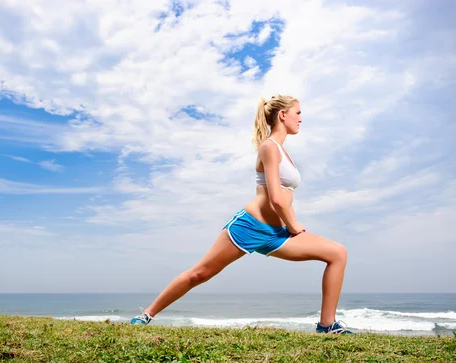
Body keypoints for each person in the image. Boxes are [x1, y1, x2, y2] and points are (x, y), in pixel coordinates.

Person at [130, 95, 352, 334]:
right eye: (297, 113)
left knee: (337, 253)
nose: (301, 118)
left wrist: (288, 225)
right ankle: (146, 315)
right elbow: (276, 198)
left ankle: (326, 325)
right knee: (199, 274)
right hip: (249, 227)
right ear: (282, 115)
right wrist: (294, 224)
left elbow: (286, 196)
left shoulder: (283, 151)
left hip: (278, 233)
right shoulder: (269, 147)